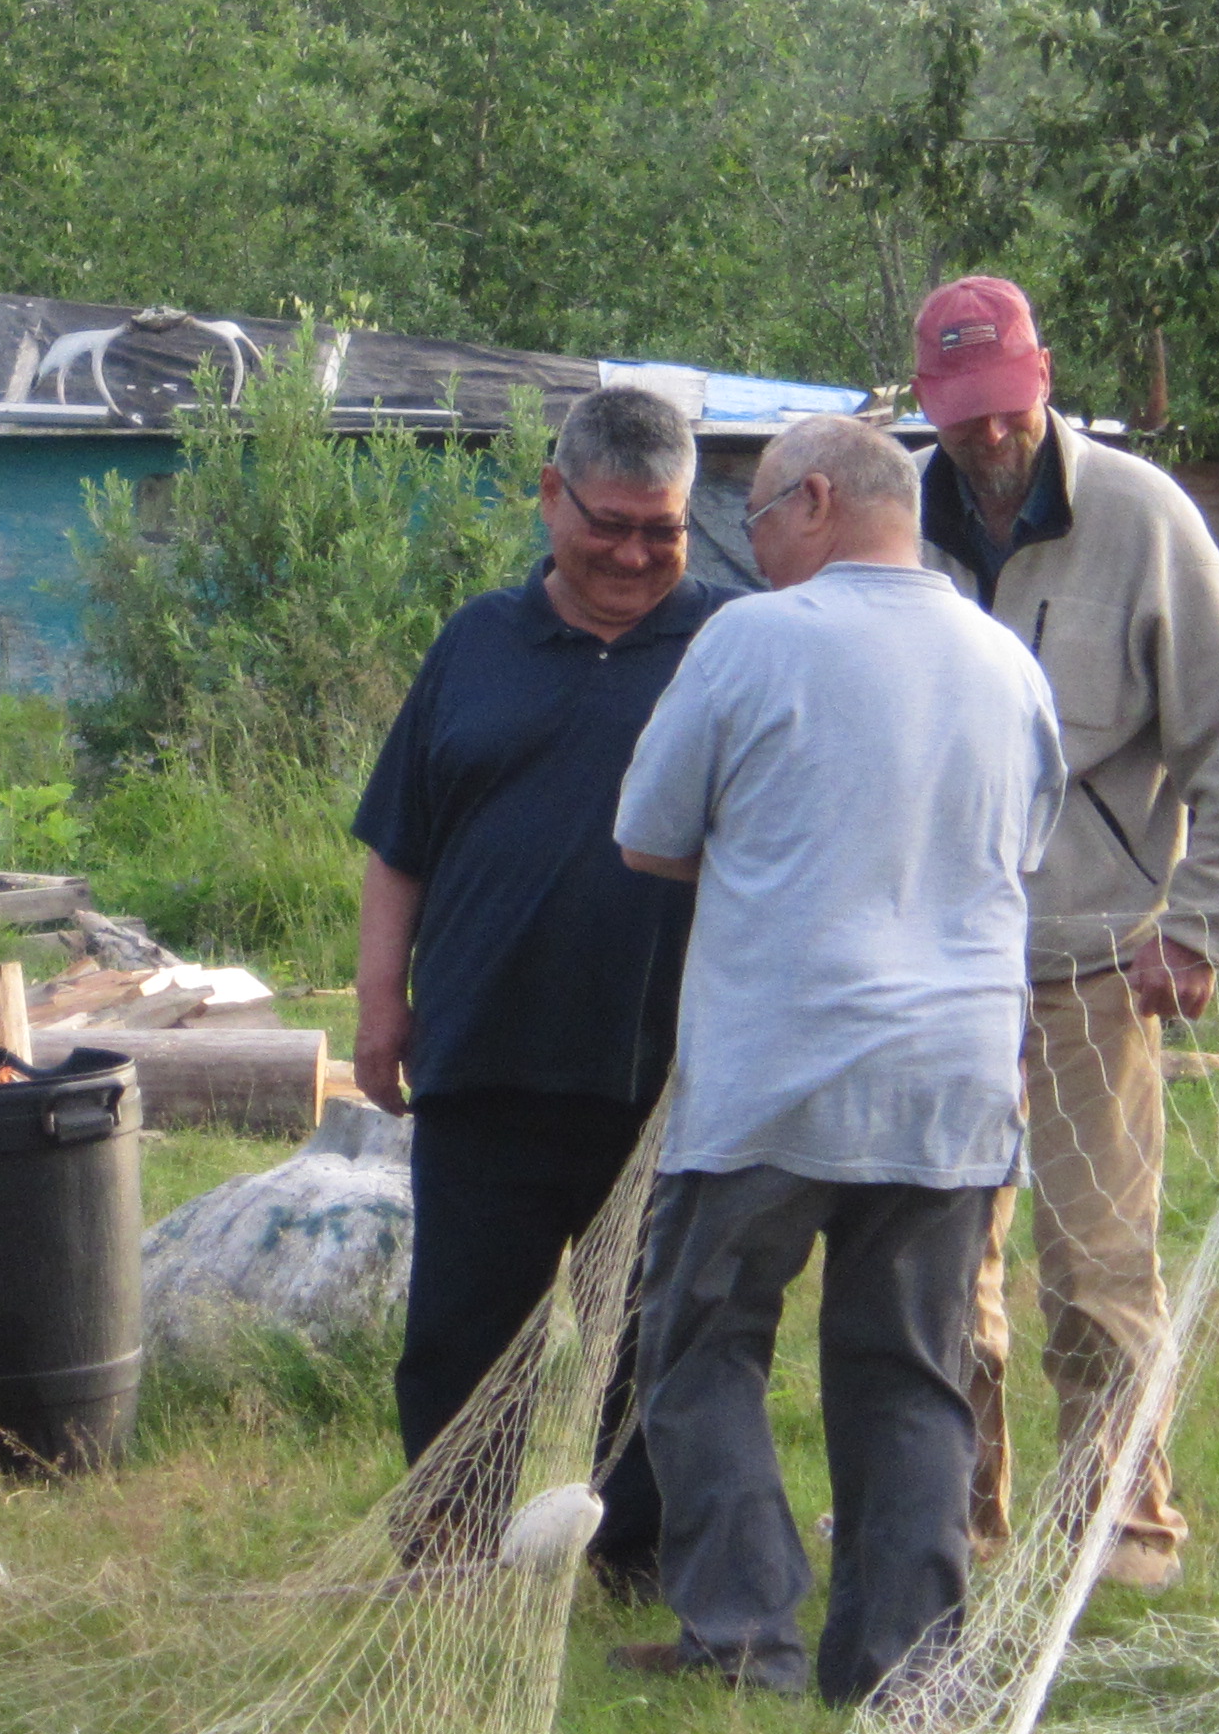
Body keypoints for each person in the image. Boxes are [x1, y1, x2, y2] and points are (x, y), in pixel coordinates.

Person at [606, 414, 1066, 1704]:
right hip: (953, 1085)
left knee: (698, 1350)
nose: (748, 553)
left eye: (752, 522)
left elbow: (646, 834)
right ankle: (904, 1666)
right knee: (912, 1374)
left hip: (774, 1075)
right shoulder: (1003, 659)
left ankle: (745, 1635)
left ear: (815, 501)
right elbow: (1019, 851)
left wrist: (770, 846)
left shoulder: (750, 638)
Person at [910, 275, 1219, 1590]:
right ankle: (956, 1516)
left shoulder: (1141, 518)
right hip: (942, 961)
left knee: (1097, 1265)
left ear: (1046, 378)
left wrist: (1197, 927)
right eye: (962, 417)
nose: (989, 439)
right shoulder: (894, 519)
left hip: (1097, 955)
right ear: (926, 407)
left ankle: (1120, 1528)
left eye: (1007, 408)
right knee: (944, 1260)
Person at [350, 385, 742, 1592]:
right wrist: (380, 999)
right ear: (550, 494)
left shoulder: (736, 643)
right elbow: (398, 838)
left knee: (658, 1337)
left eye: (662, 529)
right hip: (484, 1049)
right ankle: (451, 1548)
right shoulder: (475, 640)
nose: (633, 552)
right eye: (609, 521)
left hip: (673, 1068)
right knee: (466, 1333)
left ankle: (643, 1554)